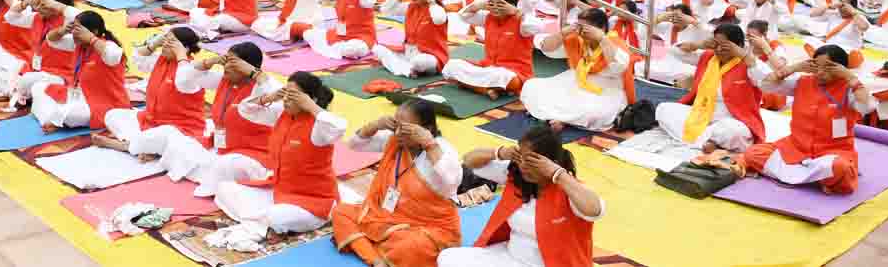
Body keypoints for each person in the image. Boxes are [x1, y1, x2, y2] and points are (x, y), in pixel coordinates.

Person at [439, 122, 603, 267]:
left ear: (551, 163)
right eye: (521, 158)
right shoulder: (516, 175)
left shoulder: (568, 187)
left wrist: (558, 174)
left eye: (531, 161)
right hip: (509, 257)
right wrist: (501, 152)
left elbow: (595, 210)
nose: (523, 166)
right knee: (448, 258)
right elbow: (469, 161)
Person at [132, 42, 283, 197]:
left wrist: (255, 73)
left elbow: (283, 97)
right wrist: (212, 61)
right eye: (226, 61)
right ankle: (197, 170)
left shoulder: (260, 88)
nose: (226, 67)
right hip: (219, 148)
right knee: (173, 138)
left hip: (251, 156)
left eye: (233, 64)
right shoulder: (224, 80)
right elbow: (184, 78)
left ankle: (192, 168)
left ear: (248, 68)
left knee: (226, 165)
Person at [215, 72, 347, 237]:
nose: (286, 100)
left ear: (309, 99)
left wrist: (310, 104)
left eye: (293, 96)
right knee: (224, 189)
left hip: (313, 200)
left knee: (276, 218)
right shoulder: (282, 114)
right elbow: (245, 109)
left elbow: (339, 127)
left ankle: (265, 219)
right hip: (279, 190)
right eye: (286, 94)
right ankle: (260, 219)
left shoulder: (319, 126)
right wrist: (271, 97)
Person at [333, 100, 462, 267]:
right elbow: (354, 144)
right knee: (341, 212)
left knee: (411, 246)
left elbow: (453, 180)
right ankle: (376, 259)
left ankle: (370, 245)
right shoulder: (396, 140)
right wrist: (376, 125)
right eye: (396, 126)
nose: (399, 133)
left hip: (426, 226)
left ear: (427, 129)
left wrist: (429, 144)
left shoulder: (442, 149)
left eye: (406, 129)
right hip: (386, 215)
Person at [742, 45, 876, 195]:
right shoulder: (802, 81)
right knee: (753, 153)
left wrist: (850, 76)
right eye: (817, 67)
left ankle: (801, 174)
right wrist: (795, 67)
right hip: (795, 148)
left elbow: (867, 107)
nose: (820, 72)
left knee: (840, 168)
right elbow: (766, 84)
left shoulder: (850, 88)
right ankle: (817, 178)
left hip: (831, 152)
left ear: (841, 69)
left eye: (827, 68)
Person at [655, 23, 767, 152]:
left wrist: (743, 54)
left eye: (724, 46)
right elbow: (675, 51)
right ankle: (710, 141)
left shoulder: (749, 65)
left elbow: (765, 77)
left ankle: (709, 139)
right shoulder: (708, 57)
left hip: (731, 119)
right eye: (715, 45)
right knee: (664, 109)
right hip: (700, 114)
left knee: (734, 131)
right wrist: (699, 45)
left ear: (739, 46)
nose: (718, 50)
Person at [99, 27, 210, 156]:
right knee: (112, 115)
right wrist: (155, 43)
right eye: (165, 41)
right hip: (150, 121)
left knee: (167, 135)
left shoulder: (192, 70)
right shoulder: (160, 59)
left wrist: (181, 55)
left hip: (179, 127)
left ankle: (127, 145)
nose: (164, 45)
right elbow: (138, 57)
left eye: (170, 42)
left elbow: (184, 77)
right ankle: (144, 147)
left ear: (185, 49)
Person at [523, 8, 635, 132]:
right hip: (577, 82)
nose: (581, 33)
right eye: (579, 27)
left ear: (602, 28)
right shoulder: (577, 39)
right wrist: (562, 33)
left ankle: (562, 119)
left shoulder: (615, 43)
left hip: (606, 90)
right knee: (532, 87)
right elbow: (547, 48)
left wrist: (602, 39)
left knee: (598, 113)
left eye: (586, 29)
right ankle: (563, 118)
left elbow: (618, 67)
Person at [30, 11, 128, 132]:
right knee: (38, 87)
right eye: (73, 30)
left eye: (78, 30)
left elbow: (113, 55)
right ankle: (53, 118)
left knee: (70, 114)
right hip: (77, 95)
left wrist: (91, 38)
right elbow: (51, 40)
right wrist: (63, 30)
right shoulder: (79, 44)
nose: (74, 34)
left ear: (94, 32)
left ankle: (54, 117)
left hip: (104, 104)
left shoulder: (108, 46)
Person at [443, 0, 541, 99]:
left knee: (504, 77)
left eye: (500, 4)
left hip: (512, 71)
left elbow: (536, 27)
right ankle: (486, 90)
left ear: (511, 5)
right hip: (487, 67)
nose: (495, 7)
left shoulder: (521, 21)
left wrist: (517, 11)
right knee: (452, 65)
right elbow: (463, 15)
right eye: (492, 4)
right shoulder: (488, 17)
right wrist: (479, 6)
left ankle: (469, 84)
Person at [376, 0, 451, 77]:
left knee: (419, 62)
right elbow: (385, 10)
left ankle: (402, 67)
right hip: (408, 52)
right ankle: (408, 70)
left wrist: (431, 1)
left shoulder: (437, 8)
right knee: (378, 49)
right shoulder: (411, 7)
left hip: (430, 55)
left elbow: (439, 19)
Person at [302, 0, 377, 59]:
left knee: (353, 49)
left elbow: (370, 2)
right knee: (308, 34)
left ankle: (346, 48)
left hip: (362, 36)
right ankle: (340, 47)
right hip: (343, 33)